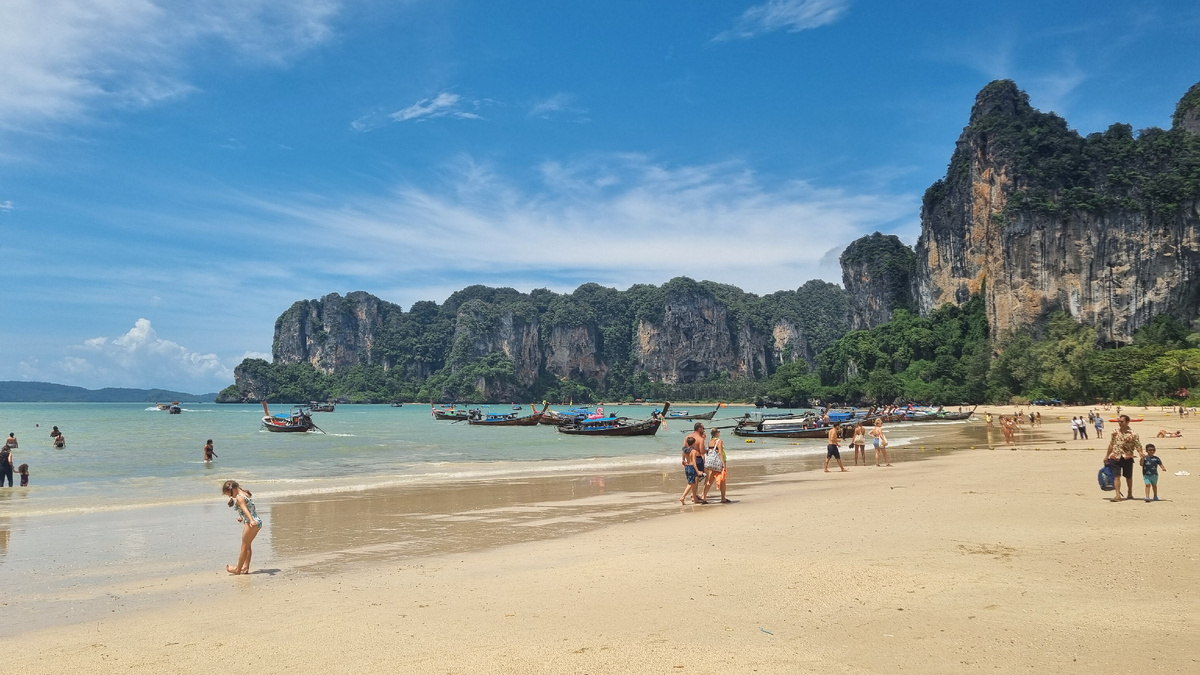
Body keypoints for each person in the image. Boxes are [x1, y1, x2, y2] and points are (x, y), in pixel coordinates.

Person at [221, 480, 263, 575]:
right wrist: (243, 517)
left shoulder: (239, 497)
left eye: (228, 494)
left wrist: (251, 520)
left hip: (251, 523)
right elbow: (251, 508)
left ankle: (237, 569)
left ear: (232, 489)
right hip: (258, 521)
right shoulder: (245, 493)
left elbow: (245, 509)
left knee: (244, 547)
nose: (229, 496)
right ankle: (245, 567)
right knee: (247, 545)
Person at [1105, 415, 1143, 502]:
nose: (1120, 423)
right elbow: (1111, 444)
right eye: (1119, 421)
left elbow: (1138, 444)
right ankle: (1117, 495)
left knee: (1128, 477)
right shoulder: (1114, 432)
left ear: (1127, 422)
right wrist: (1106, 456)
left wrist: (1140, 452)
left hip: (1127, 457)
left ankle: (1129, 492)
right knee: (1116, 476)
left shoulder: (1133, 434)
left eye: (1122, 421)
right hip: (1115, 456)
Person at [701, 429, 731, 503]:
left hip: (711, 462)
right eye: (719, 432)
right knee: (722, 479)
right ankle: (723, 498)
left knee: (710, 479)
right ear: (717, 433)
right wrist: (723, 463)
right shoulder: (719, 441)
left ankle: (704, 496)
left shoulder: (710, 441)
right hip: (718, 462)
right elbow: (720, 452)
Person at [679, 436, 705, 505]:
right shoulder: (693, 451)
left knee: (692, 483)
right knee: (691, 484)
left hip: (687, 467)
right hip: (692, 467)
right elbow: (694, 462)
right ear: (694, 443)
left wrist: (683, 460)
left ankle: (695, 498)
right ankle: (683, 497)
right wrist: (697, 471)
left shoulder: (685, 450)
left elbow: (683, 458)